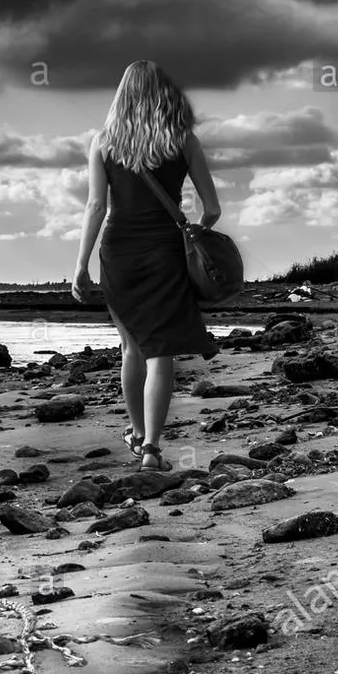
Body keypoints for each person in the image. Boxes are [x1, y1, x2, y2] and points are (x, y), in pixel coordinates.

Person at [71, 60, 223, 472]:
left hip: (117, 253)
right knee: (162, 352)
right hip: (165, 252)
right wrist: (193, 232)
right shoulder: (183, 140)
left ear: (123, 95)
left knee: (131, 347)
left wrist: (81, 264)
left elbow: (96, 206)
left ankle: (137, 436)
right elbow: (212, 209)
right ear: (164, 93)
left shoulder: (103, 141)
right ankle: (153, 450)